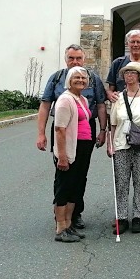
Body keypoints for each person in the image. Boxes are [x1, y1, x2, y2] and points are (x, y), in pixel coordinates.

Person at [37, 44, 107, 230]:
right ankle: (60, 218)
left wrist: (102, 130)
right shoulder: (57, 79)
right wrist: (41, 133)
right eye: (71, 58)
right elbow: (45, 105)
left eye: (78, 58)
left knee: (80, 175)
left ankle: (74, 215)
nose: (75, 61)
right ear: (65, 59)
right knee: (64, 172)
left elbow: (100, 105)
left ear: (84, 60)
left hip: (86, 130)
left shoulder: (93, 80)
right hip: (63, 129)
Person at [106, 62, 140, 235]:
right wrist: (110, 143)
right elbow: (113, 123)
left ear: (139, 77)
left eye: (133, 73)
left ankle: (138, 215)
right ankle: (121, 217)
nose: (129, 76)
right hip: (121, 144)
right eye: (126, 73)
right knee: (121, 182)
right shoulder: (118, 98)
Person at [52, 67, 94, 243]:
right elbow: (59, 129)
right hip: (69, 149)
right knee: (64, 187)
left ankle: (69, 224)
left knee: (75, 187)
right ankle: (60, 227)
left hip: (83, 147)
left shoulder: (82, 99)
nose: (81, 80)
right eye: (76, 77)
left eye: (83, 78)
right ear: (69, 80)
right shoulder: (65, 100)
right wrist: (62, 156)